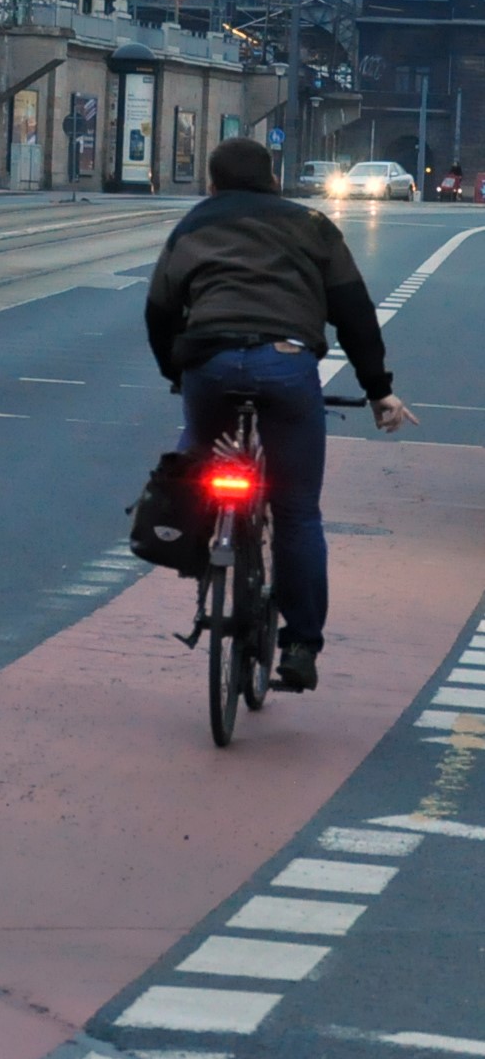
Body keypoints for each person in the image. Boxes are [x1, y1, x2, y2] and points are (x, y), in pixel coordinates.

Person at [144, 135, 415, 694]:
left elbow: (160, 310)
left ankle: (197, 546)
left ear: (212, 184)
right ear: (273, 177)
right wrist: (378, 390)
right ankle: (299, 645)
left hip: (210, 364)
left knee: (195, 457)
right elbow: (354, 312)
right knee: (296, 513)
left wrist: (178, 373)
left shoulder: (193, 226)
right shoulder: (312, 225)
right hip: (287, 367)